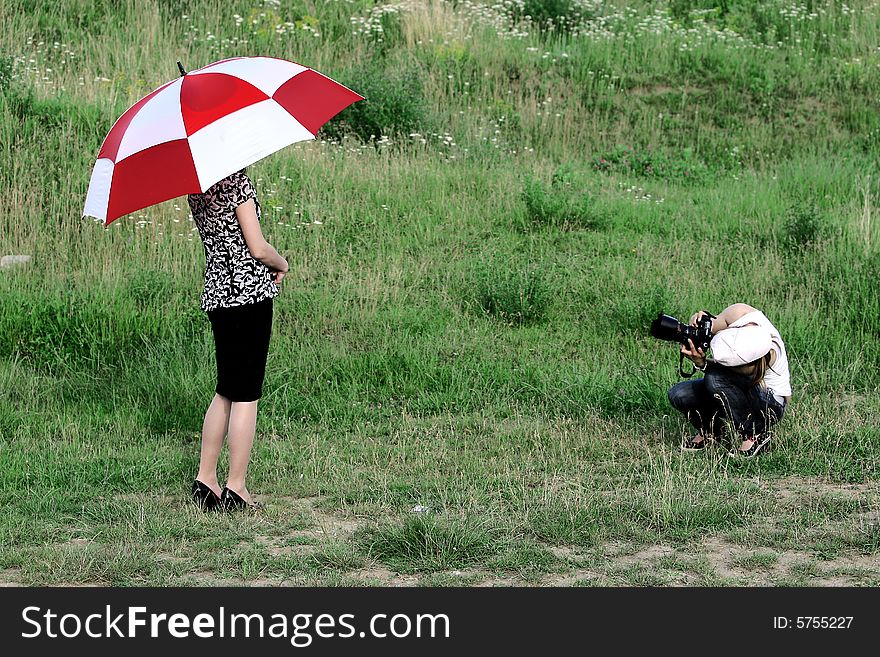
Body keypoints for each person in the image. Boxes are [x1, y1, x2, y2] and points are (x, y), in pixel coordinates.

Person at [187, 169, 289, 511]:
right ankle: (237, 487)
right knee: (247, 394)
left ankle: (206, 479)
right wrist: (282, 262)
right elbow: (257, 248)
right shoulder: (237, 182)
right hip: (249, 296)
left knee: (226, 389)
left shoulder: (196, 188)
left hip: (218, 295)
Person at [666, 303, 792, 458]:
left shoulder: (769, 354)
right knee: (679, 393)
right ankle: (711, 432)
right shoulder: (740, 313)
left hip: (769, 403)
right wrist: (696, 322)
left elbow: (728, 376)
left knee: (714, 379)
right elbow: (706, 327)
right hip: (736, 391)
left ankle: (754, 434)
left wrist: (702, 363)